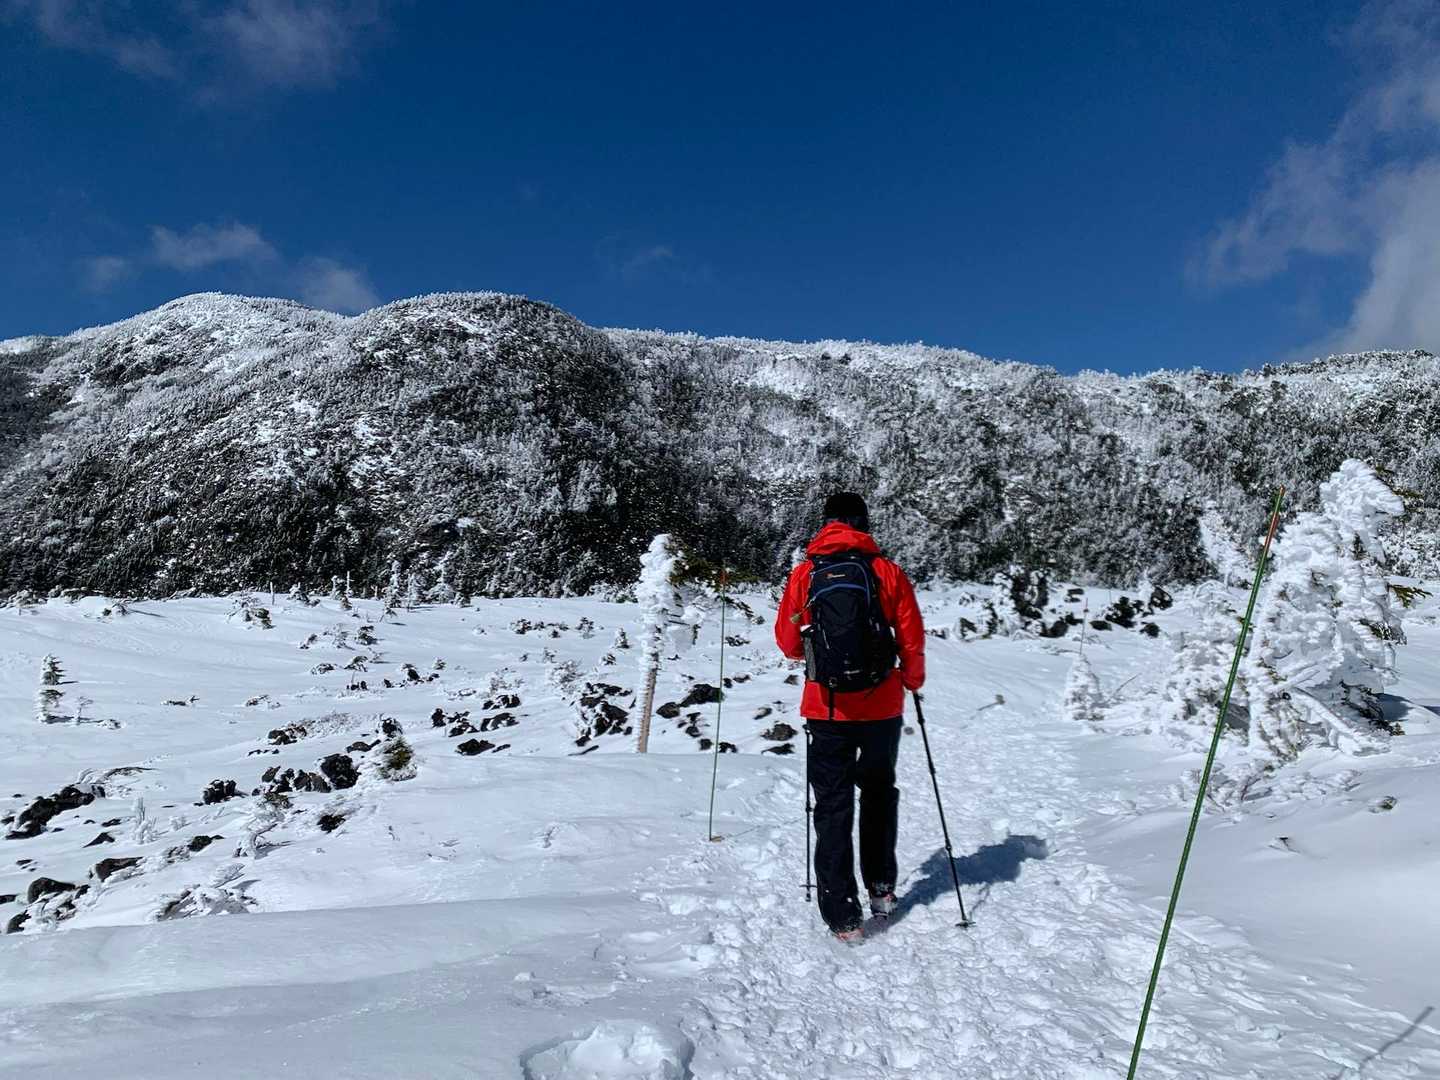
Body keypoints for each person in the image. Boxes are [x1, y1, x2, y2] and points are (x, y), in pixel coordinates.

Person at [773, 492, 925, 942]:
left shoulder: (806, 574)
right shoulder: (887, 571)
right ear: (863, 524)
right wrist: (911, 679)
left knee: (832, 806)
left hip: (826, 708)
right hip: (882, 707)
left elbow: (788, 643)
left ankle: (842, 917)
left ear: (826, 525)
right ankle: (880, 889)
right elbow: (911, 635)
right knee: (878, 794)